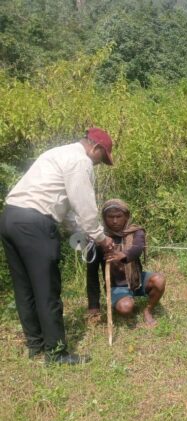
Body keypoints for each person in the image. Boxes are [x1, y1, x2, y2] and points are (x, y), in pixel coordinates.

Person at [0, 128, 116, 364]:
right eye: (100, 160)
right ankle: (56, 353)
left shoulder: (58, 153)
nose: (98, 165)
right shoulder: (80, 161)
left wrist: (82, 233)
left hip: (11, 217)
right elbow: (84, 205)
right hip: (35, 224)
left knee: (24, 287)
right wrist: (101, 238)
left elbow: (62, 207)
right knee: (47, 289)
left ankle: (36, 344)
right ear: (95, 148)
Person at [87, 199, 165, 328]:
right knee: (126, 307)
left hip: (137, 279)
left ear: (127, 216)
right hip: (116, 285)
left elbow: (138, 248)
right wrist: (93, 305)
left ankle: (148, 310)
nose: (115, 221)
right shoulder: (98, 239)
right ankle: (125, 300)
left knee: (159, 280)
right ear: (104, 218)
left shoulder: (136, 231)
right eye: (110, 217)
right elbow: (92, 275)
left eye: (119, 216)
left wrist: (123, 255)